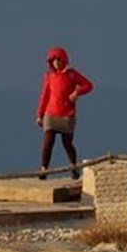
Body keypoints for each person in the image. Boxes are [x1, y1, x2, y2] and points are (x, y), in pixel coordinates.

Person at [35, 46, 93, 180]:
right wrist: (39, 114)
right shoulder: (49, 76)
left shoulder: (72, 74)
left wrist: (77, 92)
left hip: (67, 114)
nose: (56, 62)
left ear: (64, 60)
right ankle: (44, 169)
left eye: (58, 59)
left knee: (67, 143)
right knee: (48, 141)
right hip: (51, 113)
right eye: (53, 60)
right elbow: (44, 96)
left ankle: (73, 168)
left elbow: (89, 85)